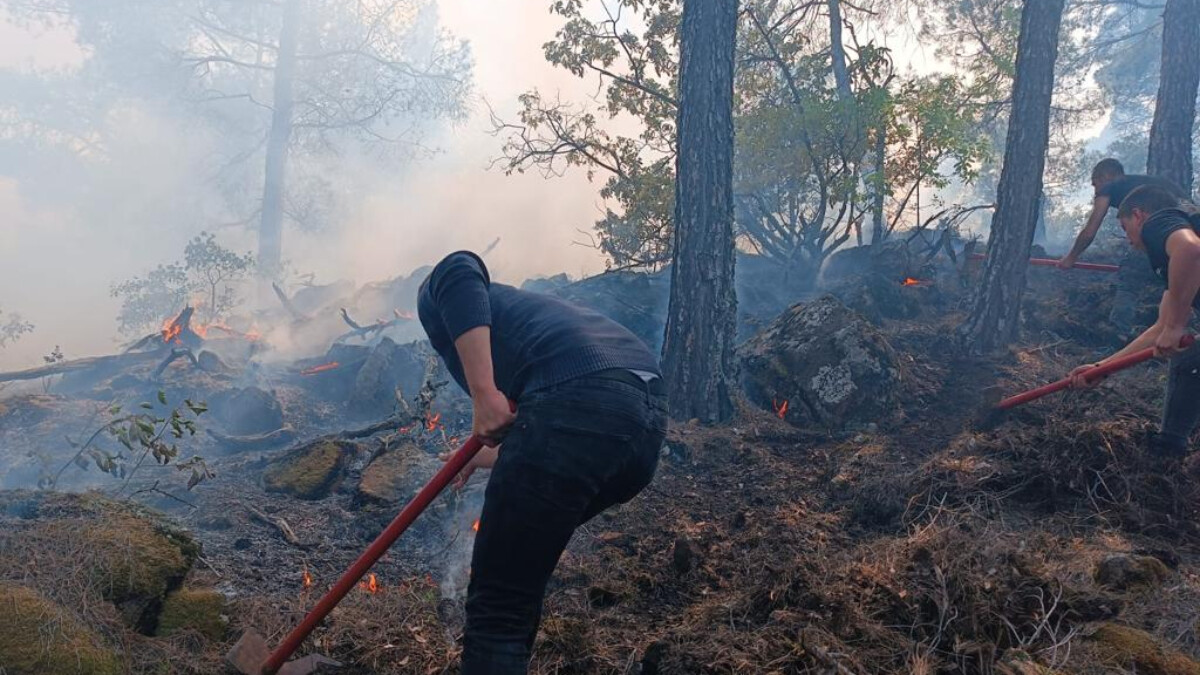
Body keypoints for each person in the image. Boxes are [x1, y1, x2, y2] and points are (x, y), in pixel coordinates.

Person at [417, 250, 668, 674]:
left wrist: (483, 394)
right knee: (517, 582)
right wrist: (494, 455)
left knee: (499, 608)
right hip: (641, 426)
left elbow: (456, 268)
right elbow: (569, 434)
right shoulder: (543, 321)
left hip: (580, 405)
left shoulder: (445, 301)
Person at [1069, 185, 1200, 458]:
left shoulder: (1159, 223)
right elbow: (1160, 329)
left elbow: (1190, 249)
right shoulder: (1168, 259)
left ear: (1138, 215)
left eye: (1124, 226)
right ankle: (1169, 449)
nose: (1127, 239)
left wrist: (1176, 326)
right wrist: (1102, 368)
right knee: (1190, 359)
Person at [1058, 159, 1190, 333]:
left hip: (1167, 233)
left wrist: (1071, 257)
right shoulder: (1147, 183)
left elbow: (1091, 229)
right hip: (1190, 231)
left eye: (1095, 184)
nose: (1096, 190)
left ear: (1106, 177)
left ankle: (1118, 333)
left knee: (1129, 275)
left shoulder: (1110, 187)